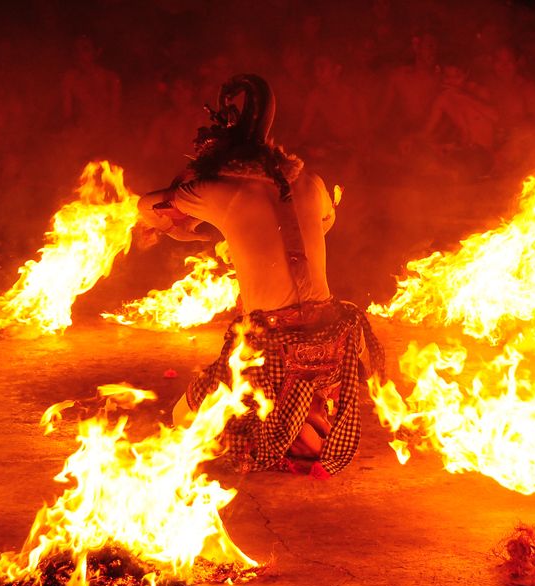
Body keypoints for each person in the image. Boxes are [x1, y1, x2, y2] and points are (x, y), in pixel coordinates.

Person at [137, 74, 383, 479]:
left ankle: (218, 445)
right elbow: (324, 222)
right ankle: (301, 428)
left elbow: (149, 207)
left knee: (185, 417)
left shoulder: (218, 190)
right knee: (302, 435)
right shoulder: (311, 181)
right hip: (334, 340)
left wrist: (181, 212)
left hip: (273, 347)